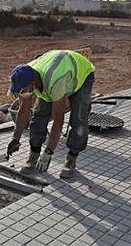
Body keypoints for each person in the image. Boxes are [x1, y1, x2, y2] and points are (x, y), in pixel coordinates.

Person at [6, 49, 95, 178]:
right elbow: (24, 111)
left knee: (79, 120)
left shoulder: (55, 82)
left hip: (81, 76)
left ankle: (71, 159)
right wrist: (15, 138)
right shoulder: (26, 75)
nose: (23, 93)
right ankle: (33, 156)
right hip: (55, 73)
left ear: (33, 83)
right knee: (38, 117)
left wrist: (49, 151)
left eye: (24, 90)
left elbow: (58, 122)